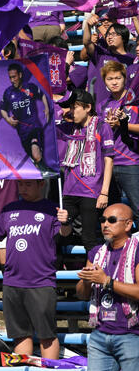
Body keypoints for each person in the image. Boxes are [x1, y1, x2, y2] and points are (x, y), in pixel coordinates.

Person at [0, 179, 71, 359]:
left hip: (41, 282)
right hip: (12, 283)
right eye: (21, 185)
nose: (24, 188)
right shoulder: (10, 209)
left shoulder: (52, 209)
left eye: (28, 184)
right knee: (20, 336)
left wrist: (66, 221)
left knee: (47, 336)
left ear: (41, 184)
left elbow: (64, 234)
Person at [76, 203, 139, 371]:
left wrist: (107, 282)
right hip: (100, 336)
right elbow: (82, 294)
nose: (105, 224)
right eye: (102, 220)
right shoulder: (96, 252)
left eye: (112, 220)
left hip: (131, 335)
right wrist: (86, 280)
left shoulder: (137, 251)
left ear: (128, 225)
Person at [58, 90, 115, 251]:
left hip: (91, 191)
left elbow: (108, 160)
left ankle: (97, 273)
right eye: (70, 107)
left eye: (75, 107)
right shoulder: (69, 128)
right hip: (69, 191)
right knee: (58, 233)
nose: (71, 111)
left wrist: (104, 192)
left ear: (88, 107)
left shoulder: (102, 127)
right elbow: (46, 122)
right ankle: (54, 273)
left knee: (88, 237)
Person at [98, 61, 139, 216]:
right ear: (104, 82)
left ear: (125, 79)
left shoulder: (135, 102)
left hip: (131, 162)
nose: (114, 82)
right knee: (112, 212)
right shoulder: (102, 105)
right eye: (109, 79)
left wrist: (122, 125)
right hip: (108, 164)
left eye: (117, 78)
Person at [0, 63, 52, 175]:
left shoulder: (30, 87)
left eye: (14, 77)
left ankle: (46, 171)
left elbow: (42, 95)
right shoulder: (8, 93)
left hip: (34, 127)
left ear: (20, 75)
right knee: (35, 159)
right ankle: (45, 172)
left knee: (36, 154)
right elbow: (2, 109)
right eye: (10, 77)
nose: (12, 80)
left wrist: (47, 108)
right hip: (22, 132)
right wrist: (8, 119)